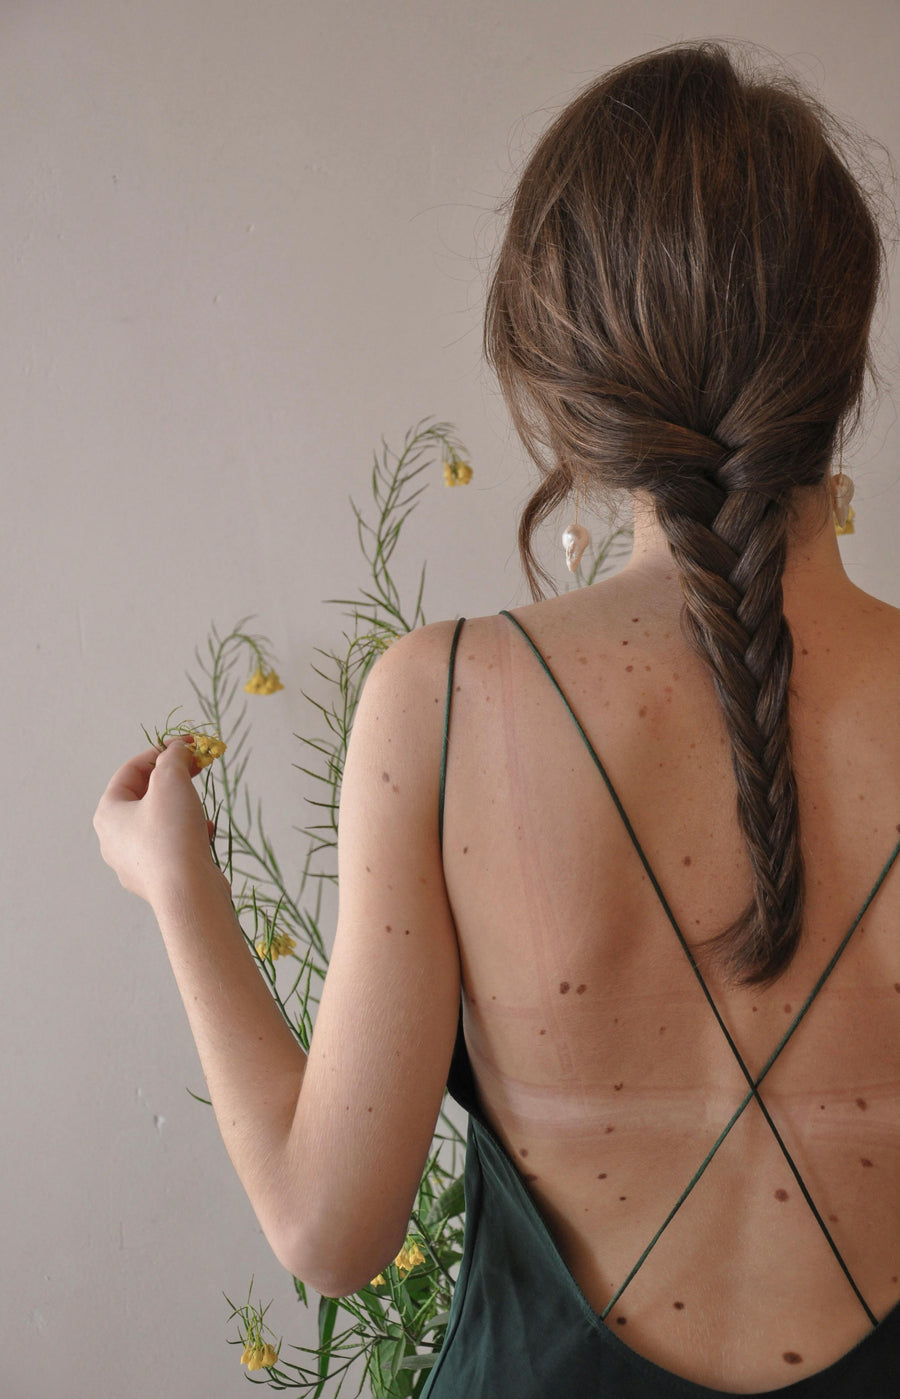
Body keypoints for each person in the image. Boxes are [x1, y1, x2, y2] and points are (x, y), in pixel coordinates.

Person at [94, 41, 899, 1397]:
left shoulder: (447, 702)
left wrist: (181, 885)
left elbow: (331, 1233)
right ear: (842, 349)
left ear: (561, 373)